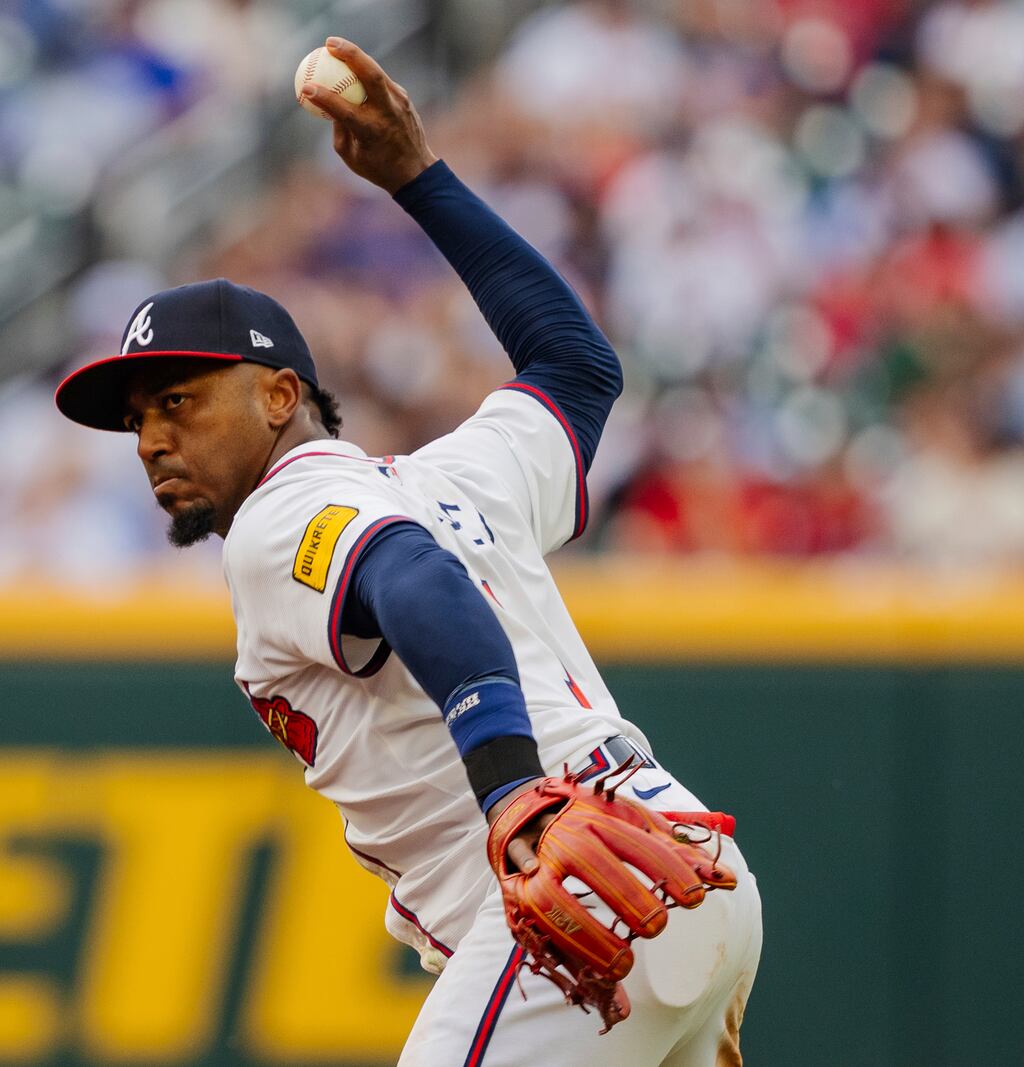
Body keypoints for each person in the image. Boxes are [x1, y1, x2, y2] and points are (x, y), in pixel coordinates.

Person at [54, 37, 761, 1066]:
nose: (153, 437)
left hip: (573, 887)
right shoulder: (460, 472)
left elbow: (414, 576)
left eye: (179, 401)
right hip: (680, 856)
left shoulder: (282, 514)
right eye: (137, 420)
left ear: (280, 394)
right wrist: (420, 182)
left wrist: (511, 786)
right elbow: (574, 365)